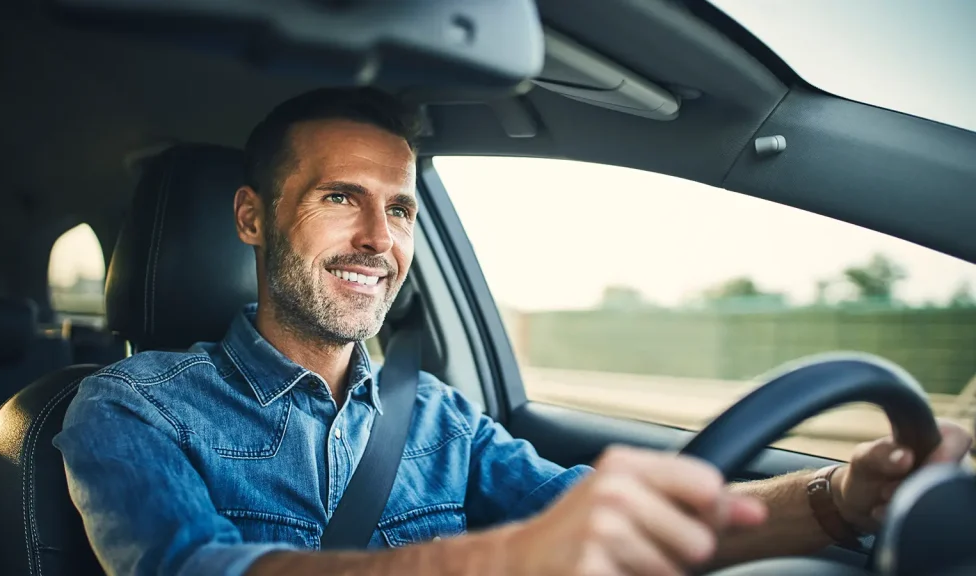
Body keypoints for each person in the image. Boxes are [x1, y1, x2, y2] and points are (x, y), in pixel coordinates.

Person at [54, 87, 973, 576]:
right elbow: (193, 569)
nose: (380, 241)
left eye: (403, 211)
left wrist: (838, 498)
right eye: (342, 199)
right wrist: (500, 563)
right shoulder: (130, 409)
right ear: (252, 219)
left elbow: (604, 517)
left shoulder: (438, 418)